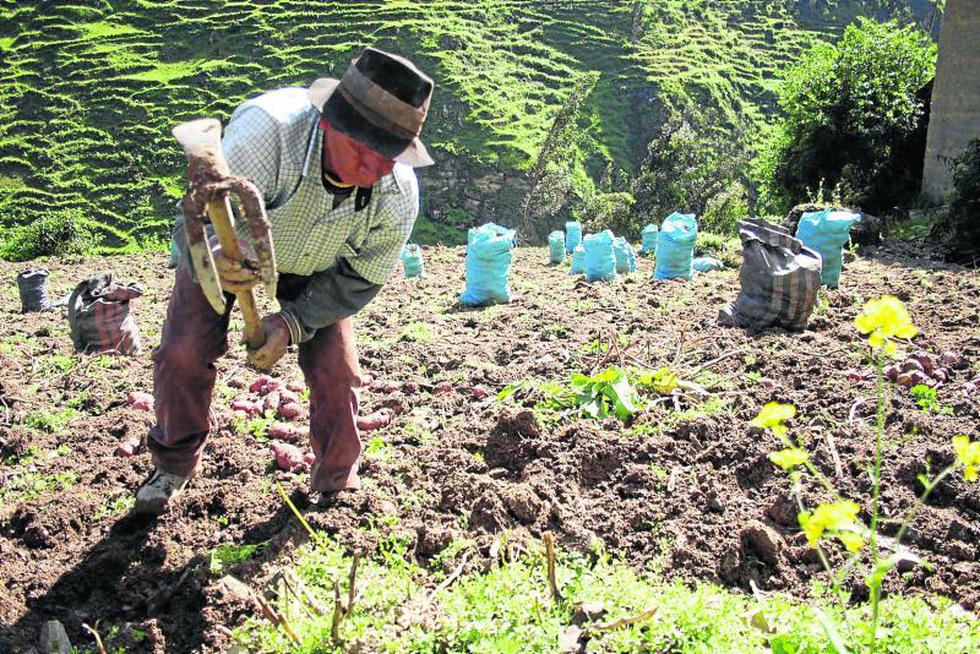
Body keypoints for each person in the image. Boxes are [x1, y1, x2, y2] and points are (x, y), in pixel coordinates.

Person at [135, 48, 434, 514]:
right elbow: (198, 218)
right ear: (329, 124)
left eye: (390, 155)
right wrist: (215, 255)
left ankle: (337, 484)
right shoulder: (267, 132)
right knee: (183, 351)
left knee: (339, 371)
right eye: (365, 150)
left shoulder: (397, 193)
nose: (377, 169)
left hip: (319, 267)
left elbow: (359, 280)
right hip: (234, 251)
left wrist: (291, 325)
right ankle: (173, 463)